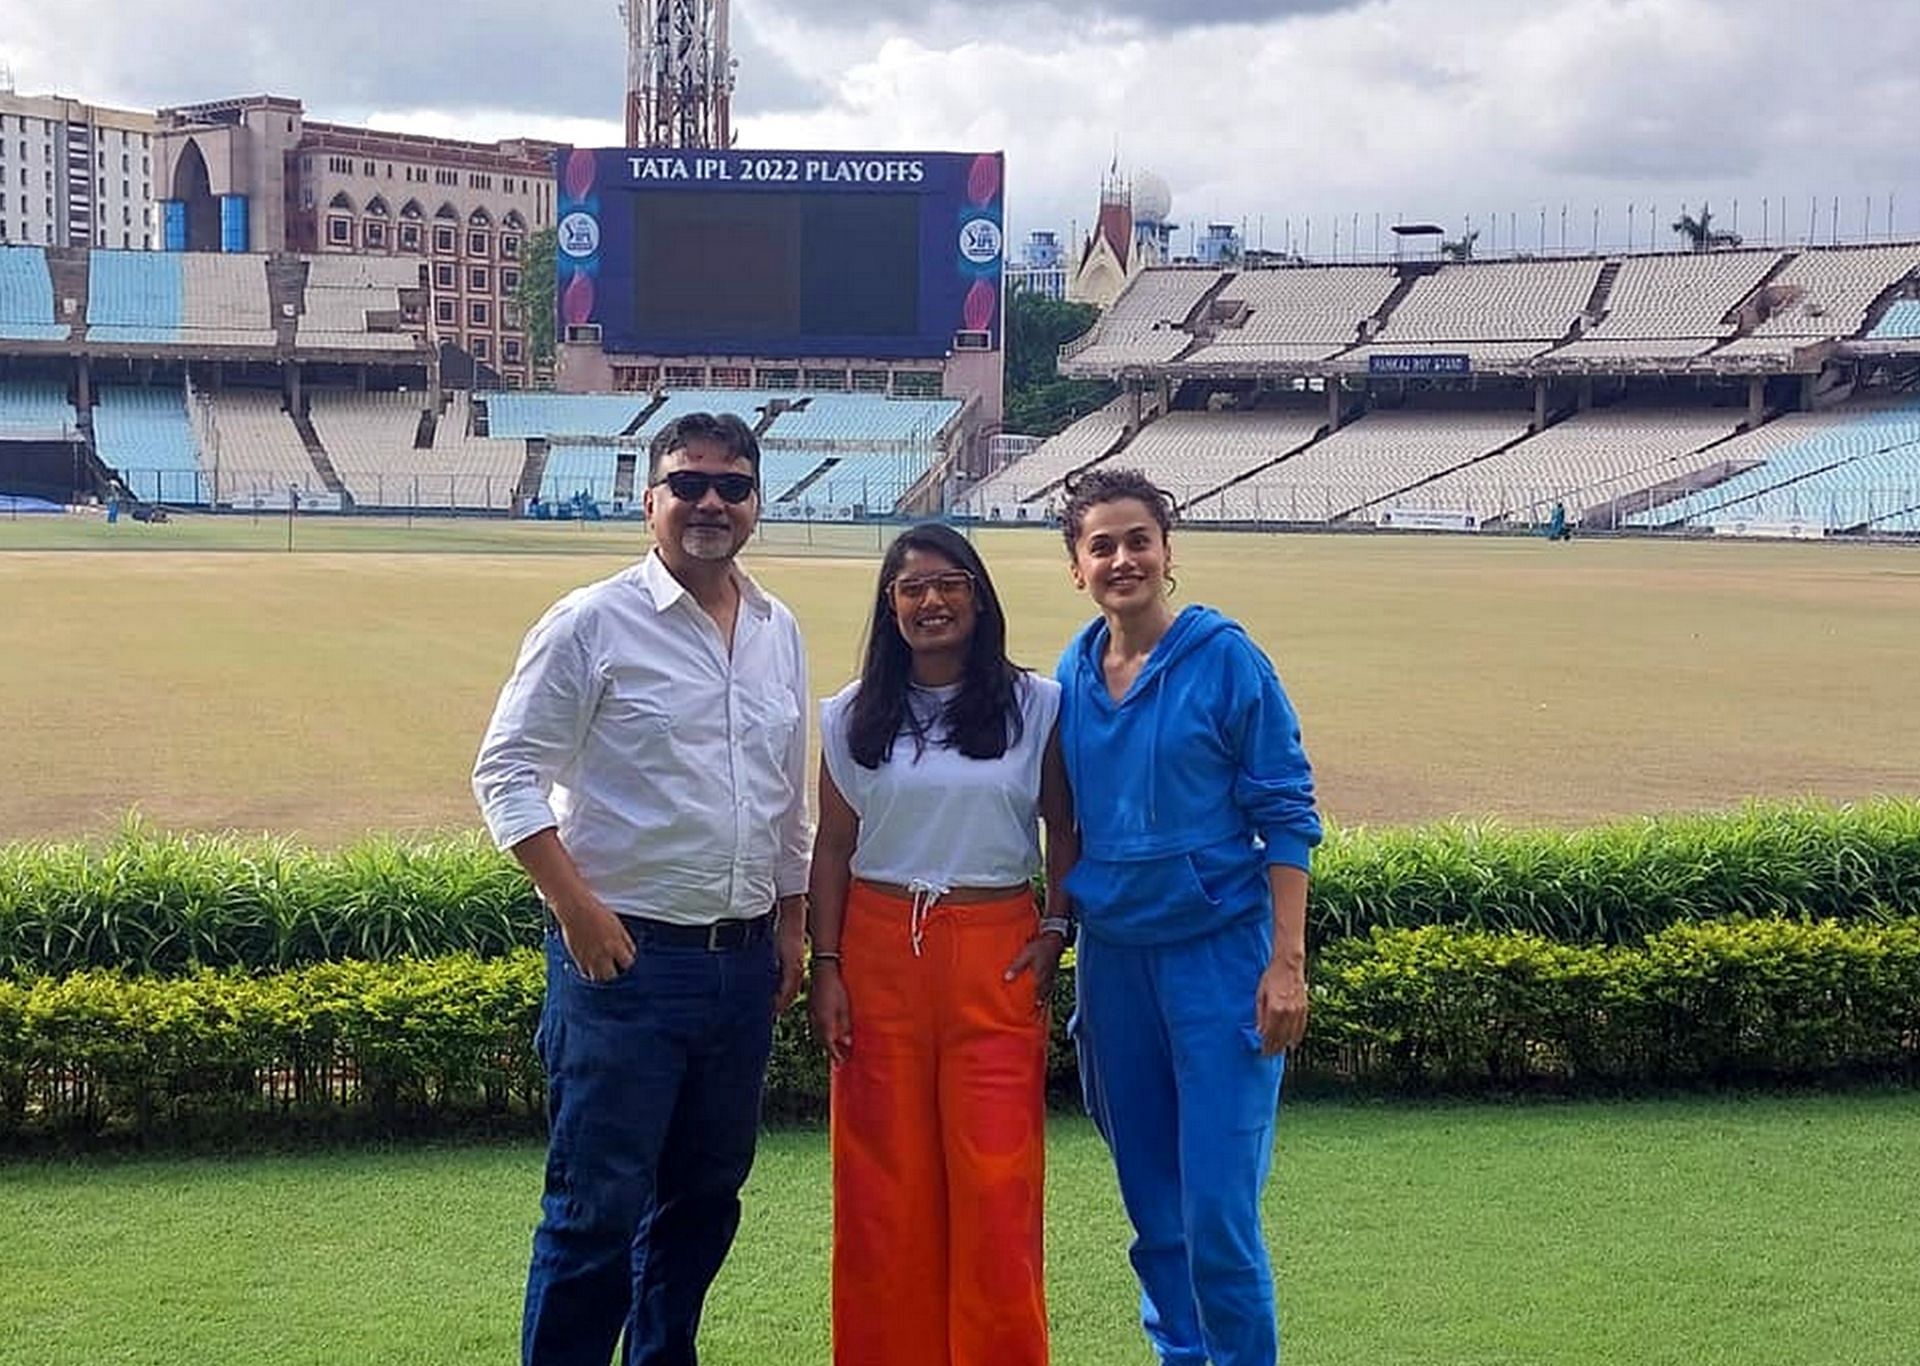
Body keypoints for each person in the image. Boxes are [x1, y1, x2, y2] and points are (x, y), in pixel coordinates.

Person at [473, 411, 811, 1366]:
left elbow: (787, 794)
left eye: (731, 486)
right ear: (649, 497)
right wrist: (576, 910)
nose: (711, 502)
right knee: (596, 1210)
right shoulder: (592, 621)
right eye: (688, 483)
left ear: (756, 501)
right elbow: (504, 771)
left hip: (740, 967)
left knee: (704, 1201)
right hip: (628, 965)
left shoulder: (777, 629)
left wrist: (791, 925)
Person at [1054, 467, 1322, 1366]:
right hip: (1116, 962)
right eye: (1102, 545)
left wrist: (1286, 964)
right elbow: (1064, 822)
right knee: (1155, 1214)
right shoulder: (1074, 670)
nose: (1122, 559)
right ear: (1076, 567)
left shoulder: (1225, 658)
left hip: (1218, 962)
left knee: (1217, 1214)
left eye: (1138, 540)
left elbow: (1286, 812)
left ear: (1168, 554)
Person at [807, 523, 1073, 1366]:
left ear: (979, 595)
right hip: (880, 949)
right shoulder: (850, 715)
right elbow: (833, 849)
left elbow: (1065, 829)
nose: (931, 601)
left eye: (949, 582)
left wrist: (1058, 927)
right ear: (890, 607)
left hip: (994, 946)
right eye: (912, 588)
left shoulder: (1037, 705)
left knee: (997, 1185)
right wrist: (827, 966)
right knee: (883, 1188)